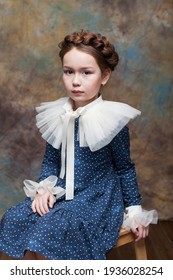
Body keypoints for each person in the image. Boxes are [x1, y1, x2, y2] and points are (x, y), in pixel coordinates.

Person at [0, 30, 158, 260]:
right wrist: (45, 188)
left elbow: (124, 168)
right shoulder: (58, 114)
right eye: (68, 72)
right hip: (63, 192)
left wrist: (134, 210)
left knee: (49, 231)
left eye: (86, 73)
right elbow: (51, 160)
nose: (75, 81)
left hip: (97, 199)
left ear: (104, 76)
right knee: (15, 218)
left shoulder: (112, 120)